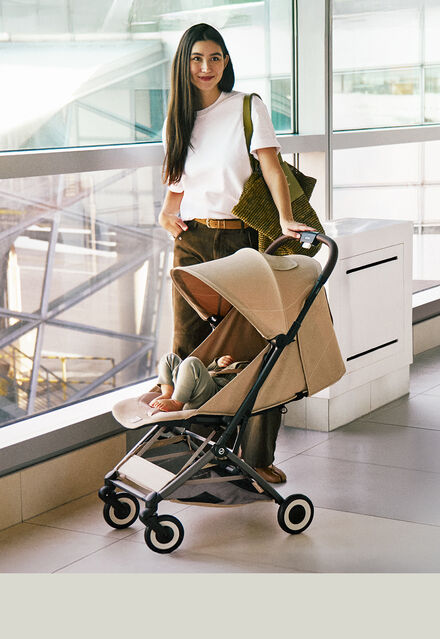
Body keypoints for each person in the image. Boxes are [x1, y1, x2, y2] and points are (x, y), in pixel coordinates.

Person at [159, 22, 315, 484]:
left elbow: (270, 165)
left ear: (226, 61)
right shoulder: (178, 117)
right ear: (183, 65)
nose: (206, 68)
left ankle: (258, 456)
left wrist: (285, 220)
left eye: (215, 58)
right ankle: (193, 454)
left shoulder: (247, 107)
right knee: (187, 345)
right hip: (192, 241)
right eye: (196, 59)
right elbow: (176, 183)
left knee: (258, 345)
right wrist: (167, 212)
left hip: (241, 240)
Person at [144, 352, 248, 412]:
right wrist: (217, 363)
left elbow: (234, 390)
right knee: (169, 358)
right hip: (193, 385)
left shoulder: (248, 370)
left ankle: (176, 403)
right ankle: (168, 394)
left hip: (213, 395)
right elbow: (207, 372)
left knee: (191, 362)